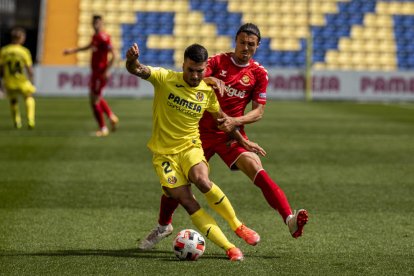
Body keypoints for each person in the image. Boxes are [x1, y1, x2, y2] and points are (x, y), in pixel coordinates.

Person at [140, 23, 309, 250]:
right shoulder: (218, 61)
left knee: (255, 167)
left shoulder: (259, 74)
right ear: (235, 41)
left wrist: (235, 123)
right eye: (242, 42)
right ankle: (163, 225)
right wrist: (209, 80)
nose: (245, 48)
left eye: (251, 44)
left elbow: (258, 111)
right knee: (176, 185)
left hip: (230, 133)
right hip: (197, 134)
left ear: (258, 45)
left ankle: (289, 219)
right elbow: (195, 77)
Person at [126, 42, 264, 261]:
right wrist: (132, 61)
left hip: (190, 147)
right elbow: (137, 69)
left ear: (205, 67)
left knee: (202, 180)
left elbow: (222, 121)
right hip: (164, 156)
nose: (195, 75)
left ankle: (239, 226)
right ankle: (230, 248)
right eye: (190, 70)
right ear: (183, 65)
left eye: (200, 71)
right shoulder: (165, 78)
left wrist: (244, 142)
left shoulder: (207, 92)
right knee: (189, 202)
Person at [63, 15, 118, 137]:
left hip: (100, 72)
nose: (95, 25)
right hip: (95, 72)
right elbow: (88, 47)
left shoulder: (104, 38)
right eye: (94, 23)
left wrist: (106, 71)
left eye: (98, 23)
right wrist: (72, 51)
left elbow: (114, 55)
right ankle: (111, 116)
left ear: (102, 23)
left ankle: (103, 128)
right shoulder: (95, 37)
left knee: (95, 100)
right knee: (94, 97)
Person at [0, 27, 36, 129]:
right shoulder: (24, 51)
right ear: (21, 38)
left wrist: (2, 80)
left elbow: (1, 67)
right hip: (22, 80)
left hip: (9, 80)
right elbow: (29, 68)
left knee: (13, 101)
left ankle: (17, 122)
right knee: (29, 97)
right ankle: (30, 120)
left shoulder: (4, 50)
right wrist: (31, 79)